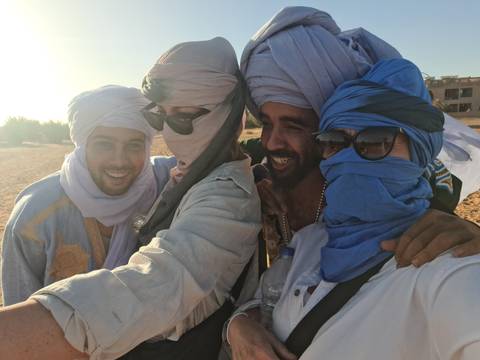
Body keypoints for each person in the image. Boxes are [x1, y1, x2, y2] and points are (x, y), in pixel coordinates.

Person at [0, 37, 261, 360]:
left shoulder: (224, 196)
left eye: (182, 118)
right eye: (160, 118)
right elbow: (20, 303)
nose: (120, 162)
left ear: (230, 116)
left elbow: (160, 286)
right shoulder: (37, 215)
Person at [228, 58, 480, 360]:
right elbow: (264, 301)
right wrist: (238, 325)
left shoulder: (447, 268)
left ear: (419, 151)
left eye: (375, 141)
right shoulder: (312, 242)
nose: (350, 157)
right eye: (335, 142)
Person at [240, 6, 480, 266]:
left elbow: (447, 238)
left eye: (294, 126)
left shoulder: (397, 188)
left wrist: (468, 231)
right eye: (266, 123)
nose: (272, 142)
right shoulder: (262, 171)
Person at [1, 85, 176, 305]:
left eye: (134, 146)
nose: (119, 161)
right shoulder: (34, 217)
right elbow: (18, 319)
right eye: (104, 145)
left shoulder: (158, 182)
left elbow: (210, 157)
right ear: (82, 147)